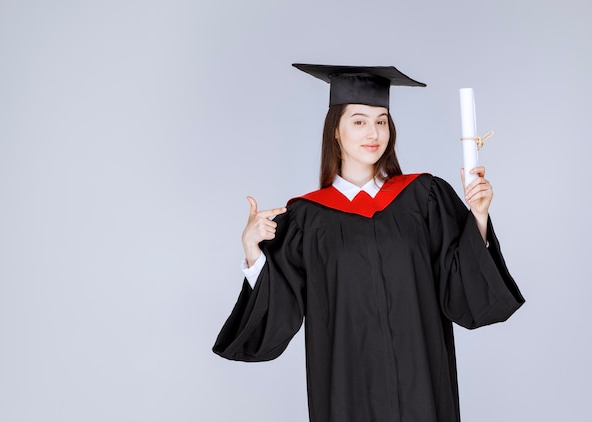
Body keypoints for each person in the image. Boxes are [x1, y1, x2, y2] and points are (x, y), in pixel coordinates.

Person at [213, 63, 524, 422]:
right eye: (359, 121)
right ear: (335, 131)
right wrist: (253, 252)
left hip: (420, 384)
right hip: (347, 390)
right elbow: (279, 309)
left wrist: (479, 217)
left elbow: (461, 289)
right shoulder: (307, 218)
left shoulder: (424, 197)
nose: (373, 132)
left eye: (381, 120)